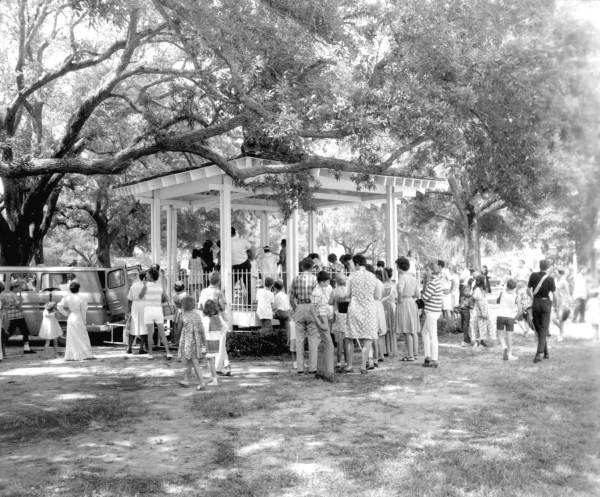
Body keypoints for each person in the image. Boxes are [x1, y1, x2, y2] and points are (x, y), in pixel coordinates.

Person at [346, 254, 379, 374]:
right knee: (368, 338)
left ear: (357, 264)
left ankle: (349, 365)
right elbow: (377, 296)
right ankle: (363, 366)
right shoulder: (373, 276)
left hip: (354, 308)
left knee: (350, 337)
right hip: (369, 309)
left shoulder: (352, 276)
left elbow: (346, 294)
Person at [289, 257, 319, 375]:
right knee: (313, 339)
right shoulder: (315, 280)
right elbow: (318, 297)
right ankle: (313, 367)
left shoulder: (296, 279)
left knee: (299, 339)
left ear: (301, 266)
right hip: (312, 307)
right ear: (312, 267)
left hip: (300, 306)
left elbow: (291, 298)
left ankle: (300, 368)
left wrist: (296, 309)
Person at [198, 271, 231, 376]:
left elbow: (200, 306)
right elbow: (222, 307)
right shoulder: (219, 292)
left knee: (213, 344)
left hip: (206, 319)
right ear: (219, 281)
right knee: (221, 343)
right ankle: (220, 367)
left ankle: (226, 365)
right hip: (217, 319)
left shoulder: (203, 291)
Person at [177, 295, 208, 390]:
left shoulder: (182, 316)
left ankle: (202, 382)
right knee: (189, 362)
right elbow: (202, 329)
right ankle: (186, 380)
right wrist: (204, 341)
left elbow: (178, 329)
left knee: (193, 362)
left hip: (187, 343)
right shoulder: (197, 316)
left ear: (183, 306)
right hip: (196, 343)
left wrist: (177, 338)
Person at [528, 259, 556, 363]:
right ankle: (539, 353)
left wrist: (533, 297)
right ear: (548, 267)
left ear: (539, 266)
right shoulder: (550, 278)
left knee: (539, 328)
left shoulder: (533, 275)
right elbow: (554, 293)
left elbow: (528, 290)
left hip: (535, 303)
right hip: (545, 303)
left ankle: (546, 352)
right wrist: (555, 305)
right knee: (544, 328)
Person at [141, 267, 172, 360]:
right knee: (162, 332)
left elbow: (140, 296)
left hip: (148, 310)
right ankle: (168, 353)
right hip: (158, 310)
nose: (146, 275)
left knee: (150, 333)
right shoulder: (160, 286)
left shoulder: (146, 285)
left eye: (147, 274)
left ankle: (150, 354)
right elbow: (167, 298)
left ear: (150, 276)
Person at [58, 281, 94, 361]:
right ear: (78, 289)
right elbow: (83, 310)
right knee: (82, 336)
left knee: (72, 337)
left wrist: (66, 313)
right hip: (79, 318)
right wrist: (84, 320)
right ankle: (85, 354)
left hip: (71, 317)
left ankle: (72, 355)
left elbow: (59, 306)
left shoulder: (67, 297)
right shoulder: (81, 298)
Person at [0, 281, 35, 354]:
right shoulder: (14, 296)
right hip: (18, 316)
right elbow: (19, 306)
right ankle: (26, 348)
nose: (20, 289)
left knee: (12, 332)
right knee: (24, 332)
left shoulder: (9, 295)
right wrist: (21, 300)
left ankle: (3, 344)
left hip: (12, 316)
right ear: (15, 287)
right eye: (19, 287)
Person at [395, 257, 420, 361]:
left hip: (404, 302)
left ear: (400, 266)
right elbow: (417, 293)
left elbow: (400, 290)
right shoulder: (413, 277)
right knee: (413, 329)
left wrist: (399, 300)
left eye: (397, 266)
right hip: (412, 302)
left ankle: (410, 355)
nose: (396, 268)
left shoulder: (402, 277)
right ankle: (415, 353)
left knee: (406, 330)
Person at [312, 270, 335, 381]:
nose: (328, 283)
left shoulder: (320, 290)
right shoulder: (317, 292)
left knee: (323, 345)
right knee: (329, 345)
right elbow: (314, 310)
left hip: (323, 317)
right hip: (322, 317)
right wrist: (320, 323)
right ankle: (329, 373)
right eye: (327, 281)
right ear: (322, 282)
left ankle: (320, 371)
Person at [420, 261, 443, 368]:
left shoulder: (433, 283)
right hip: (434, 311)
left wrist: (421, 295)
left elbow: (425, 297)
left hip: (432, 312)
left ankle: (434, 359)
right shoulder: (436, 281)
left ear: (431, 271)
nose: (425, 272)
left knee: (433, 335)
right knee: (424, 333)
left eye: (427, 270)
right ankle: (428, 356)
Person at [496, 279, 521, 361]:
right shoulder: (517, 297)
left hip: (501, 316)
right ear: (515, 287)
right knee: (509, 337)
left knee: (500, 335)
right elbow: (520, 311)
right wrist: (515, 319)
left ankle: (504, 346)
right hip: (510, 317)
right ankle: (510, 354)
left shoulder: (502, 293)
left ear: (507, 286)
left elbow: (497, 301)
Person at [200, 299, 223, 386]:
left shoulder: (206, 319)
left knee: (210, 361)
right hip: (216, 341)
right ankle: (213, 378)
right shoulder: (217, 318)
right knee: (212, 360)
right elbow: (224, 327)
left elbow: (204, 331)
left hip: (208, 341)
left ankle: (214, 379)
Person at [330, 272, 350, 371]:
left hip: (338, 316)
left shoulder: (334, 291)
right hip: (347, 317)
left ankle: (338, 362)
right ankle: (347, 361)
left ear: (336, 281)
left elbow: (330, 302)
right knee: (347, 340)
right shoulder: (348, 291)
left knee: (339, 342)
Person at [126, 270, 148, 355]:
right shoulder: (147, 286)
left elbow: (129, 300)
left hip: (134, 306)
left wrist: (128, 311)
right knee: (144, 328)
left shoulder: (133, 286)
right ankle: (141, 348)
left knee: (133, 327)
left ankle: (129, 347)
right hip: (144, 306)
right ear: (145, 277)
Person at [273, 280, 294, 366]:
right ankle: (288, 347)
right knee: (287, 329)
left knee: (283, 328)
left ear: (275, 288)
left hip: (281, 313)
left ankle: (283, 346)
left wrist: (274, 312)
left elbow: (274, 306)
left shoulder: (277, 295)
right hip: (287, 312)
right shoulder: (285, 295)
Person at [381, 267, 398, 358]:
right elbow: (396, 297)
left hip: (385, 306)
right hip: (391, 305)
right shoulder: (393, 285)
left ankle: (386, 350)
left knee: (385, 327)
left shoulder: (382, 285)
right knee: (390, 328)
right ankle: (391, 349)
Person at [472, 275, 492, 347]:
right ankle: (477, 341)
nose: (486, 281)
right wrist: (482, 312)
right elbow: (478, 302)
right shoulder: (477, 290)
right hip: (479, 311)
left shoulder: (481, 289)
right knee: (478, 325)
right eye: (485, 280)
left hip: (484, 309)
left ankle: (482, 340)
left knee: (483, 326)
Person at [231, 227, 251, 296]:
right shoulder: (242, 240)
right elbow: (250, 249)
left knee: (230, 284)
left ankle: (229, 302)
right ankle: (248, 304)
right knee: (247, 284)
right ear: (235, 232)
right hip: (245, 263)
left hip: (236, 265)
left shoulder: (227, 242)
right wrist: (251, 258)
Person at [553, 269, 571, 342]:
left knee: (561, 319)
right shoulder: (555, 280)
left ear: (560, 274)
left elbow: (568, 293)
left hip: (563, 301)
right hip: (557, 301)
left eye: (556, 272)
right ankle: (562, 332)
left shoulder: (564, 282)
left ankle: (561, 335)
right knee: (554, 319)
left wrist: (567, 302)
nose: (555, 274)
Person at [171, 280, 188, 346]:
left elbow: (176, 304)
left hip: (179, 312)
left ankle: (177, 341)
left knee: (177, 327)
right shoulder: (186, 294)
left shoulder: (175, 296)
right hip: (185, 312)